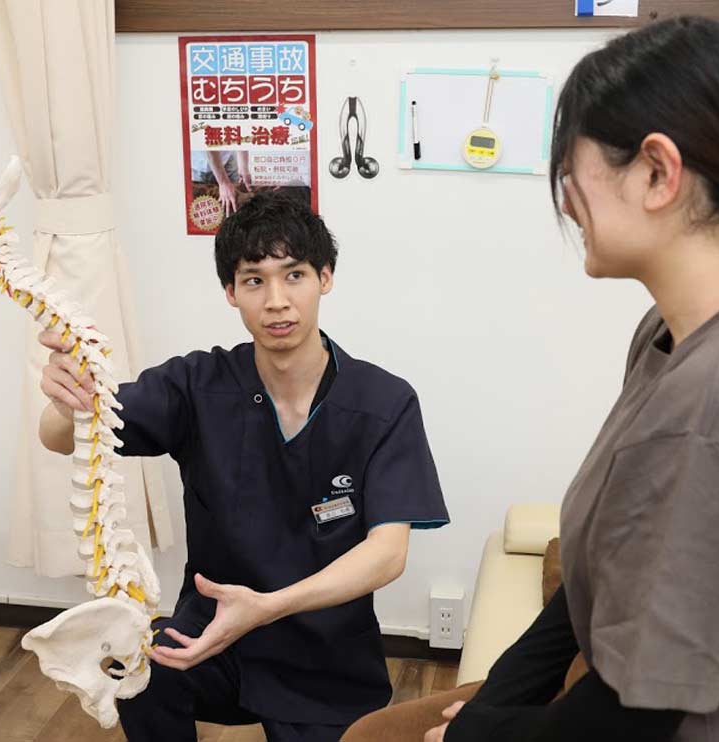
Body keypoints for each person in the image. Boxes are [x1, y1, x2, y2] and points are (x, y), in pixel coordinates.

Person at [344, 16, 719, 742]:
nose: (566, 202)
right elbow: (591, 581)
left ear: (658, 173)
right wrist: (493, 704)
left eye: (570, 176)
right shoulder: (673, 337)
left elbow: (636, 717)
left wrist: (474, 736)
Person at [37, 191, 450, 742]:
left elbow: (387, 553)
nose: (277, 300)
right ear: (231, 292)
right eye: (254, 280)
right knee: (137, 674)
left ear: (325, 278)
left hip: (324, 658)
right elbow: (61, 438)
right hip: (212, 638)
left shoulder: (384, 402)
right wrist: (67, 401)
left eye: (294, 275)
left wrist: (266, 608)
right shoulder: (198, 385)